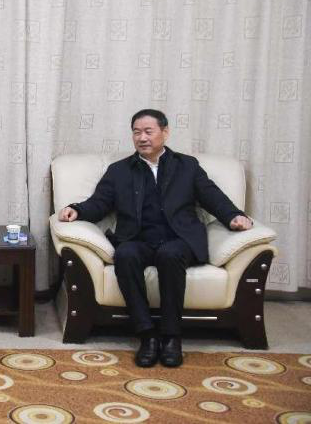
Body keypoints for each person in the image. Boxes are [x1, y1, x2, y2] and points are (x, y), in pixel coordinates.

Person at [58, 109, 252, 368]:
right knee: (125, 254)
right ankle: (147, 334)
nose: (142, 138)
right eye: (136, 132)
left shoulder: (187, 166)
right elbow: (99, 203)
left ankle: (172, 337)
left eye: (148, 131)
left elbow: (212, 197)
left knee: (169, 254)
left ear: (165, 132)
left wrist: (235, 216)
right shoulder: (119, 171)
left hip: (179, 239)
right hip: (137, 238)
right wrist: (77, 210)